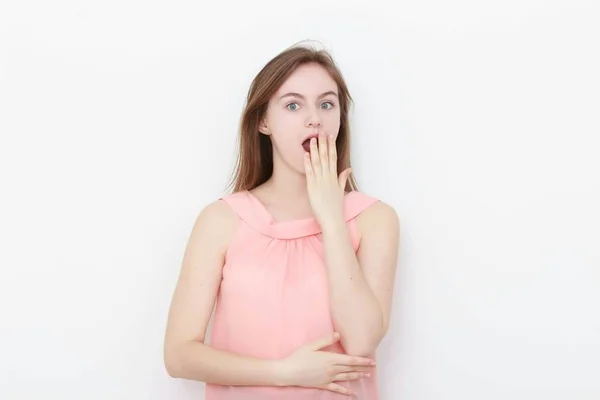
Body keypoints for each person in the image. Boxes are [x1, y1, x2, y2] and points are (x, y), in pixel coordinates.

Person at [163, 42, 400, 399]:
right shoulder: (221, 220)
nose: (314, 118)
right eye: (293, 105)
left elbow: (362, 340)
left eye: (326, 103)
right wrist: (283, 373)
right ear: (263, 122)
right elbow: (179, 356)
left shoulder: (374, 219)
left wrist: (332, 219)